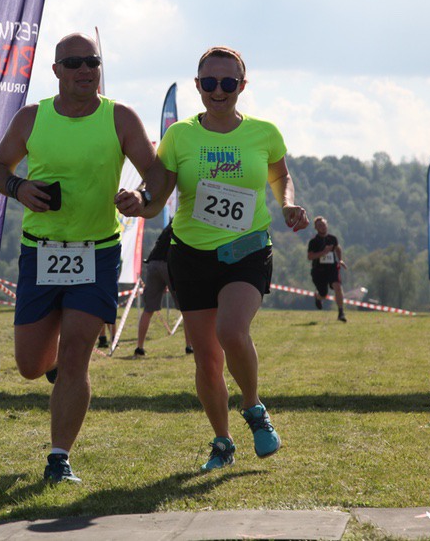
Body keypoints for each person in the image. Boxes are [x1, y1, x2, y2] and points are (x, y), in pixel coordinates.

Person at [118, 46, 308, 470]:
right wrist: (138, 203)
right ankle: (223, 443)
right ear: (197, 85)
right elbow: (157, 196)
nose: (217, 91)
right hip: (190, 255)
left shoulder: (264, 133)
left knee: (231, 330)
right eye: (209, 83)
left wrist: (287, 204)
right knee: (206, 358)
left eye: (227, 83)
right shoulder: (180, 136)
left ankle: (254, 408)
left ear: (242, 85)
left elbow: (281, 175)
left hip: (247, 251)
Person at [0, 32, 165, 484]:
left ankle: (59, 458)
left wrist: (142, 197)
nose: (85, 69)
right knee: (30, 365)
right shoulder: (32, 117)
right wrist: (18, 188)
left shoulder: (120, 117)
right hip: (40, 251)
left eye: (93, 61)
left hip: (97, 253)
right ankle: (51, 370)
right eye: (74, 63)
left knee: (76, 356)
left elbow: (157, 173)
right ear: (56, 71)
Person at [134, 221, 192, 356]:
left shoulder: (168, 227)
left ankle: (139, 347)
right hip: (169, 264)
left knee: (148, 309)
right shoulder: (185, 224)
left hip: (153, 263)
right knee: (186, 308)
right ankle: (189, 346)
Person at [307, 216, 347, 322]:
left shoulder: (332, 239)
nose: (323, 227)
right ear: (316, 228)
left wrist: (340, 260)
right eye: (320, 225)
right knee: (323, 294)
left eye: (324, 224)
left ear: (327, 225)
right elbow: (310, 256)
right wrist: (323, 253)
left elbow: (337, 248)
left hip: (332, 268)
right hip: (319, 271)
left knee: (337, 287)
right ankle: (318, 297)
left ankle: (341, 313)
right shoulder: (313, 242)